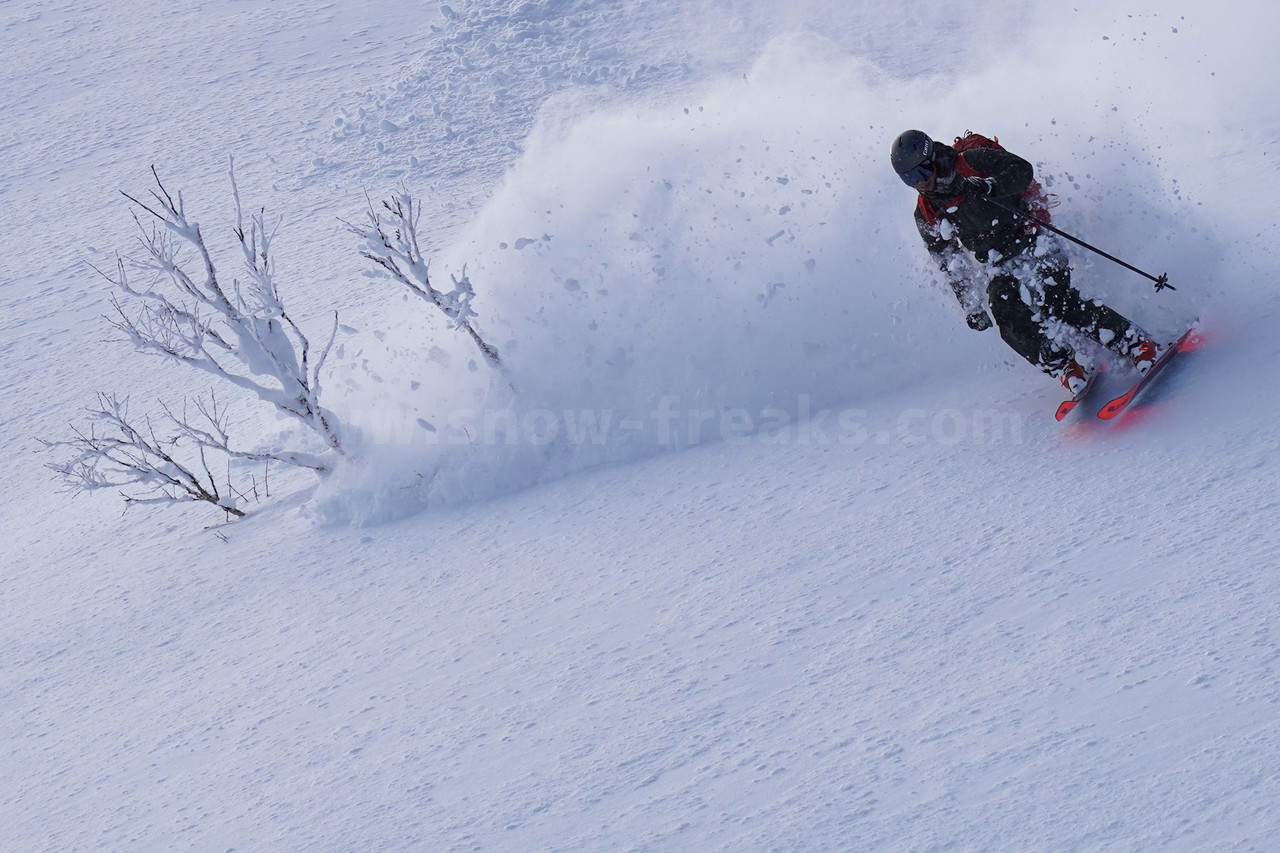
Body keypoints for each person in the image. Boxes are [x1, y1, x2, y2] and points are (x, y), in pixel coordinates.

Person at [890, 129, 1159, 393]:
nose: (919, 182)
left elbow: (1022, 170)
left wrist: (989, 186)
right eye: (909, 179)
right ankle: (1063, 365)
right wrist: (971, 306)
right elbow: (949, 261)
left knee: (1055, 299)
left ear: (933, 158)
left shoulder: (971, 162)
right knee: (1004, 312)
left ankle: (1135, 343)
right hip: (999, 261)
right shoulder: (926, 212)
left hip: (1033, 238)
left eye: (921, 172)